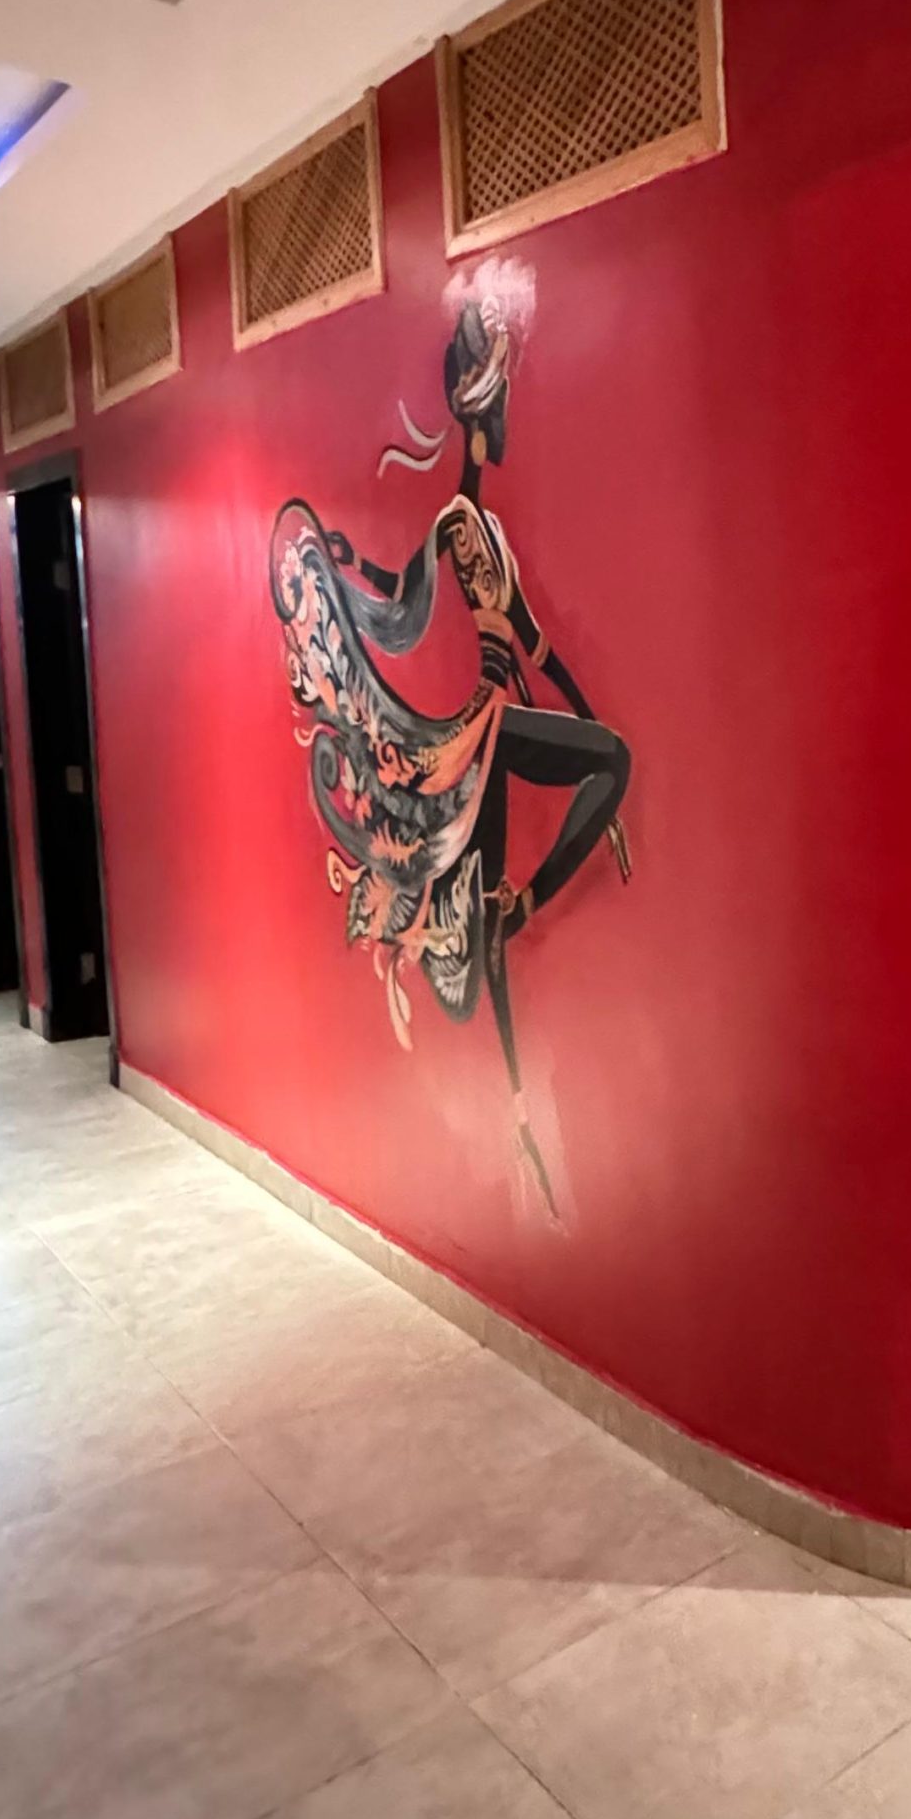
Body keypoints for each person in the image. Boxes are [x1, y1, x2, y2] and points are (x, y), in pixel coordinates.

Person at [269, 275, 630, 1209]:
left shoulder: (484, 527)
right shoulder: (461, 523)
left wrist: (586, 715)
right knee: (607, 766)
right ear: (479, 417)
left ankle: (517, 1111)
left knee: (533, 850)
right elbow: (404, 606)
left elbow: (534, 643)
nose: (504, 422)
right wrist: (349, 566)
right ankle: (520, 1073)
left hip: (494, 724)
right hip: (487, 725)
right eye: (497, 406)